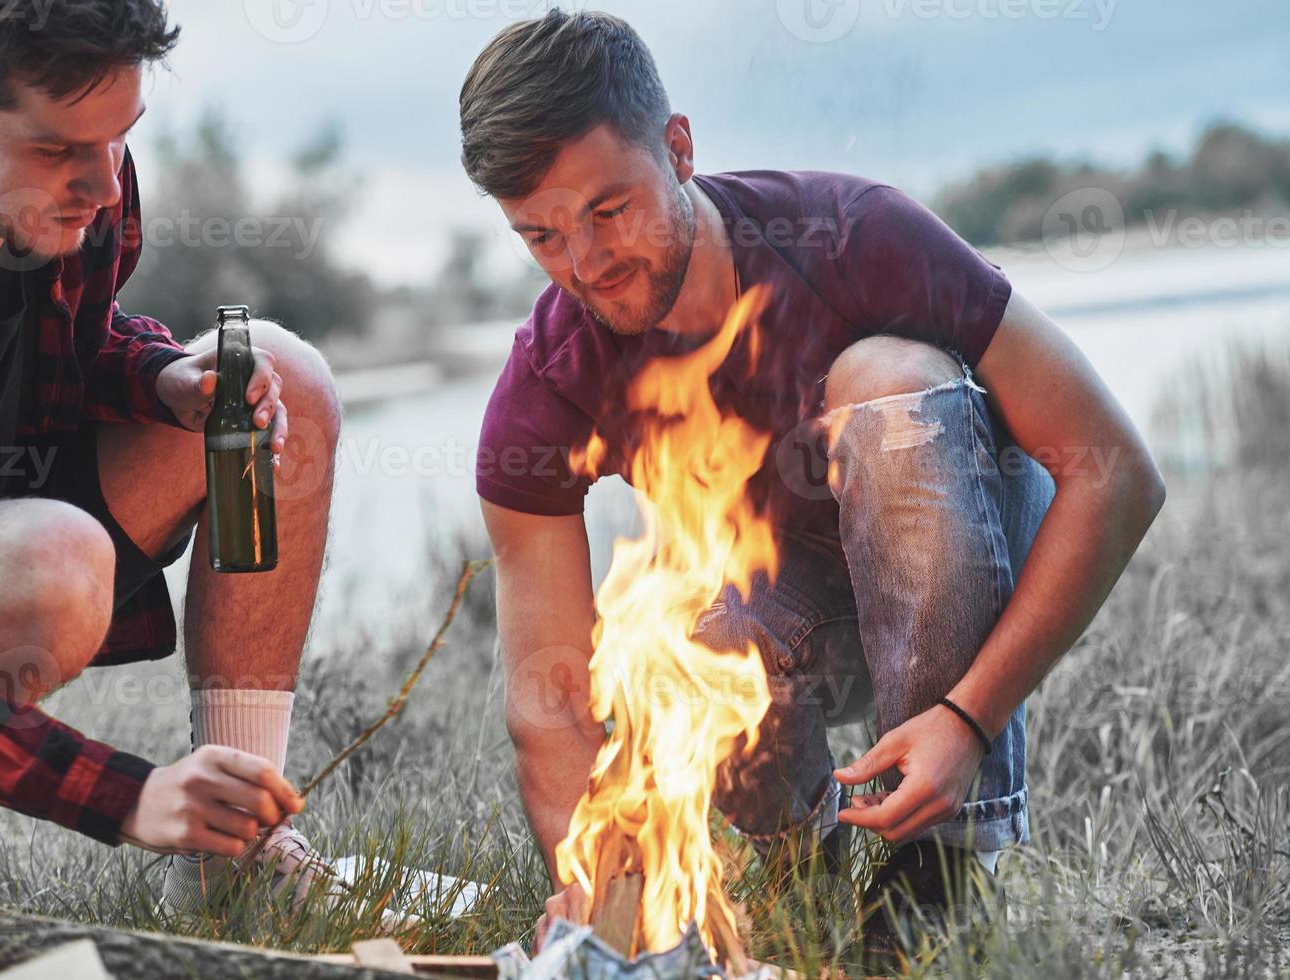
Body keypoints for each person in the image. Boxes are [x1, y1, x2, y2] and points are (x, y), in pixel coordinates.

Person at [459, 8, 1165, 965]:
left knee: (887, 383)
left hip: (958, 547)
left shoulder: (854, 237)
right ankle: (805, 871)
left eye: (607, 211)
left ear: (677, 149)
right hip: (793, 612)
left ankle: (939, 875)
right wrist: (603, 895)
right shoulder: (547, 383)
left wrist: (969, 719)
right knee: (678, 636)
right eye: (540, 236)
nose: (584, 266)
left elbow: (1114, 471)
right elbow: (548, 704)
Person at [0, 1, 345, 956]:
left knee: (276, 381)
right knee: (55, 564)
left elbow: (78, 342)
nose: (103, 184)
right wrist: (128, 795)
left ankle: (236, 847)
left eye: (121, 139)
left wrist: (163, 377)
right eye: (61, 151)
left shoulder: (79, 191)